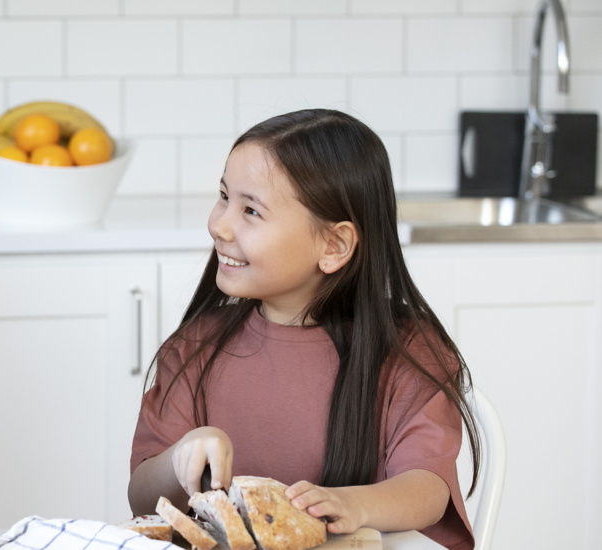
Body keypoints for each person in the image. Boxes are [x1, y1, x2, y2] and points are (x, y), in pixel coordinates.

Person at [127, 110, 480, 550]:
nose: (218, 224)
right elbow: (141, 496)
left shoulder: (408, 353)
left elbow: (429, 488)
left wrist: (353, 504)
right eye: (223, 197)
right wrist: (180, 457)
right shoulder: (196, 347)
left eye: (251, 210)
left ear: (333, 246)